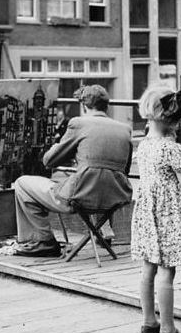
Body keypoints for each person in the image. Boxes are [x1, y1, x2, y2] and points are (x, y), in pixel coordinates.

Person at [13, 85, 132, 257]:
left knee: (22, 184)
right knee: (95, 178)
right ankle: (102, 237)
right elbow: (124, 169)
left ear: (84, 106)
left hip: (80, 197)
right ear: (107, 106)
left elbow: (48, 161)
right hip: (116, 198)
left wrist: (56, 145)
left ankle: (42, 241)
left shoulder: (78, 124)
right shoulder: (124, 129)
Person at [131, 79, 181, 333]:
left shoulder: (144, 146)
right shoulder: (173, 149)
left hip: (146, 210)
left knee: (148, 268)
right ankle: (168, 329)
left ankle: (149, 322)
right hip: (168, 212)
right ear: (174, 120)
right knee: (167, 272)